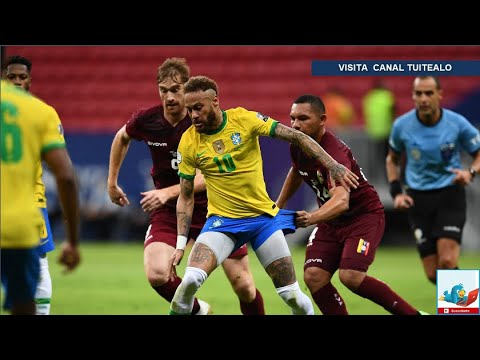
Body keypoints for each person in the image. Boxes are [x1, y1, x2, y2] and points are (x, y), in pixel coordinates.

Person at [168, 76, 359, 315]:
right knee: (190, 281)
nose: (193, 115)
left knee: (291, 296)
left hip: (262, 221)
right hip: (221, 224)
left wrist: (332, 165)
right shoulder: (188, 141)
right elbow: (185, 196)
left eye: (198, 108)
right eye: (189, 110)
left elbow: (297, 136)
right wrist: (180, 243)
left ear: (215, 102)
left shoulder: (244, 120)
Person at [108, 58, 266, 315]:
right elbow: (122, 137)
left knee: (244, 286)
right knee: (158, 274)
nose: (169, 97)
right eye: (164, 90)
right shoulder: (147, 119)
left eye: (176, 90)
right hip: (171, 211)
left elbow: (208, 175)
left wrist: (166, 192)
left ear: (187, 89)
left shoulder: (203, 123)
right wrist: (111, 182)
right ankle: (199, 311)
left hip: (216, 209)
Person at [275, 94, 424, 315]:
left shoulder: (334, 154)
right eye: (292, 118)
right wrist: (278, 205)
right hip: (333, 222)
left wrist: (310, 218)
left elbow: (342, 201)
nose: (295, 125)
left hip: (363, 216)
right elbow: (298, 170)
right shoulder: (299, 144)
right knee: (314, 276)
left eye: (303, 118)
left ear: (323, 120)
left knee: (351, 276)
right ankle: (460, 305)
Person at [2, 55, 80, 315]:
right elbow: (66, 176)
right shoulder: (41, 113)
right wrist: (73, 240)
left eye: (21, 77)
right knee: (29, 284)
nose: (16, 82)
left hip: (31, 203)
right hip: (23, 215)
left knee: (38, 269)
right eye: (11, 76)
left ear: (30, 80)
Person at [386, 76, 480, 284]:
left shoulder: (456, 123)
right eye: (418, 93)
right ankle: (463, 301)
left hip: (450, 194)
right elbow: (392, 160)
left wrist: (470, 172)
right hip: (417, 199)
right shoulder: (402, 125)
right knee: (433, 274)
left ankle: (463, 309)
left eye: (429, 93)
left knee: (447, 261)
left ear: (439, 95)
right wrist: (396, 192)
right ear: (413, 96)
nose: (424, 98)